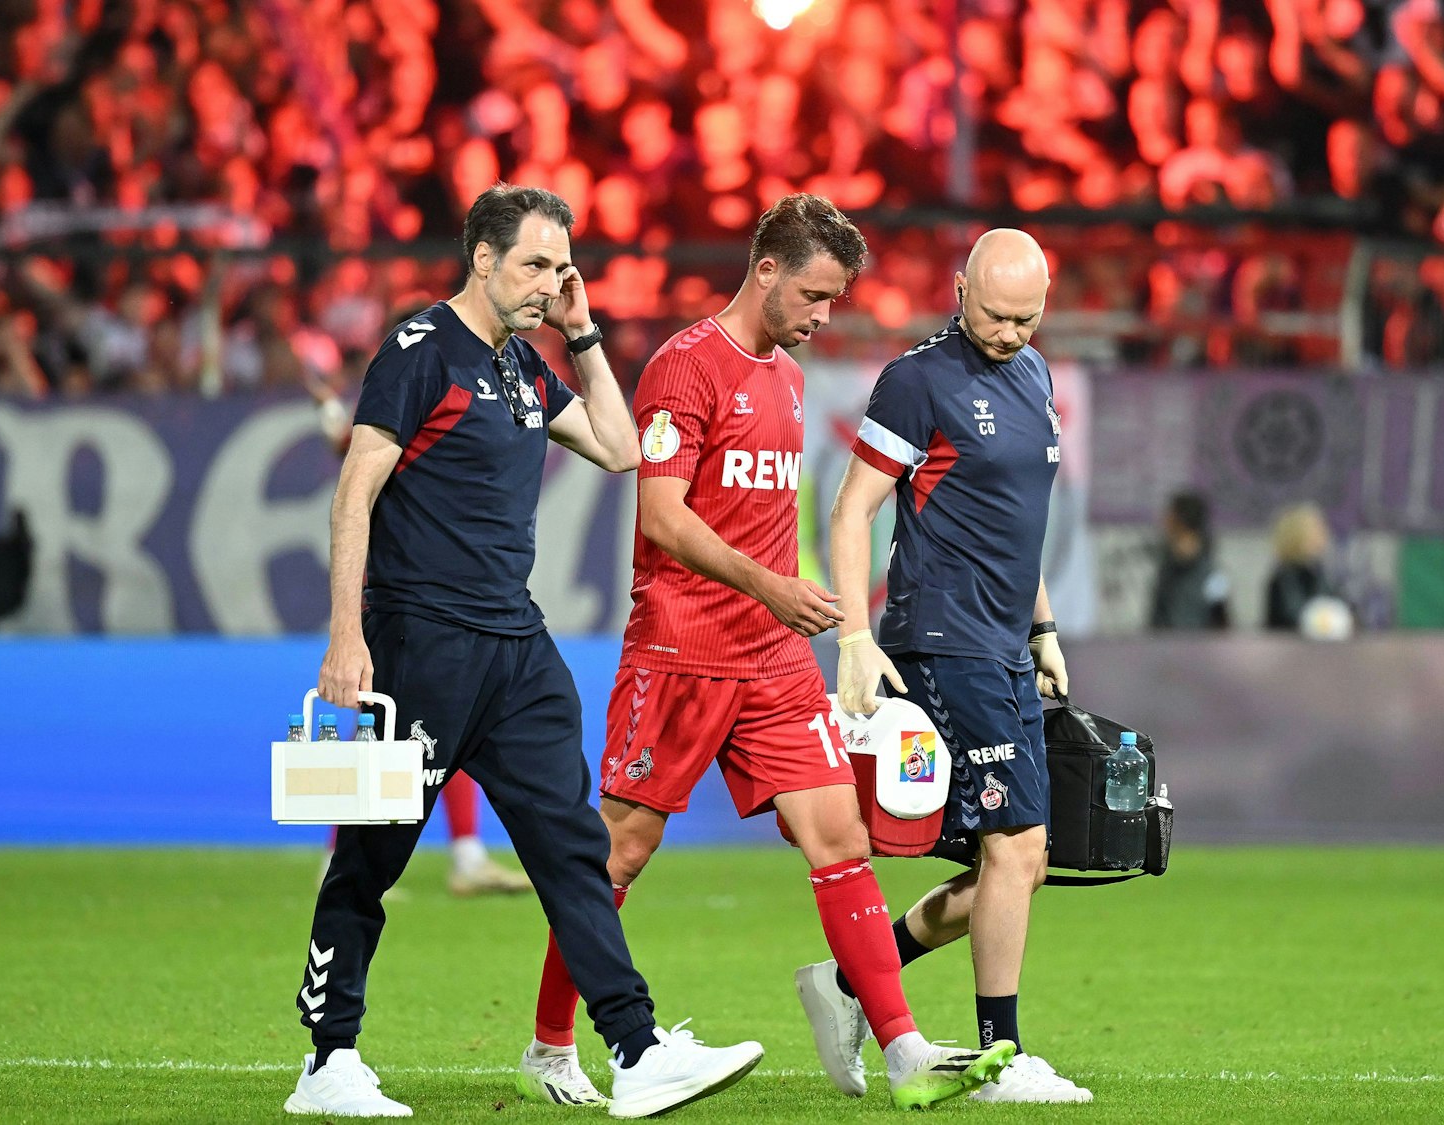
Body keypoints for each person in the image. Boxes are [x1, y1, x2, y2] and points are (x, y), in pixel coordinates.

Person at [517, 195, 1015, 1111]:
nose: (824, 317)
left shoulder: (785, 376)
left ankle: (903, 1047)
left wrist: (788, 600)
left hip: (773, 658)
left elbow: (759, 514)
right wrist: (773, 586)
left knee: (841, 837)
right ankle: (551, 1047)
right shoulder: (685, 366)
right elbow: (662, 517)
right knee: (618, 855)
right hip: (679, 647)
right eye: (816, 296)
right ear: (767, 271)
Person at [288, 184, 762, 1119]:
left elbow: (624, 451)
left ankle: (633, 1046)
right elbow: (354, 491)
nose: (552, 282)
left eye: (562, 266)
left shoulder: (524, 368)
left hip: (516, 647)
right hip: (420, 642)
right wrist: (346, 635)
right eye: (537, 265)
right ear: (483, 259)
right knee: (370, 860)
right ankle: (328, 1060)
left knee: (573, 846)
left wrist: (584, 337)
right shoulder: (421, 354)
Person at [824, 228, 1091, 1103]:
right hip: (940, 640)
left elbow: (1019, 522)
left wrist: (1044, 627)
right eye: (996, 313)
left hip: (1006, 643)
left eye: (1027, 317)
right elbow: (851, 508)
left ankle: (850, 978)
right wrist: (854, 639)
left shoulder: (1037, 374)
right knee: (1014, 847)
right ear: (958, 289)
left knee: (1022, 860)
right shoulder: (917, 380)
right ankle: (1000, 1058)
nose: (1011, 332)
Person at [307, 365, 532, 898]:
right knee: (378, 732)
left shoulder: (418, 395)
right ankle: (339, 859)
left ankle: (467, 854)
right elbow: (354, 451)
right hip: (396, 598)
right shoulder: (422, 387)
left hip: (436, 593)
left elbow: (345, 440)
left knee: (452, 724)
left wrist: (331, 413)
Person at [1148, 490, 1230, 630]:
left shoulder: (1211, 572)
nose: (1164, 520)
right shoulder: (1167, 565)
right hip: (1165, 646)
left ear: (1179, 520)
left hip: (1200, 646)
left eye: (1169, 515)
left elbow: (1220, 619)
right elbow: (1157, 617)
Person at [1264, 502, 1335, 632]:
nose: (1325, 534)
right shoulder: (1285, 578)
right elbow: (1294, 618)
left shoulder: (1319, 574)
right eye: (1317, 529)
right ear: (1297, 535)